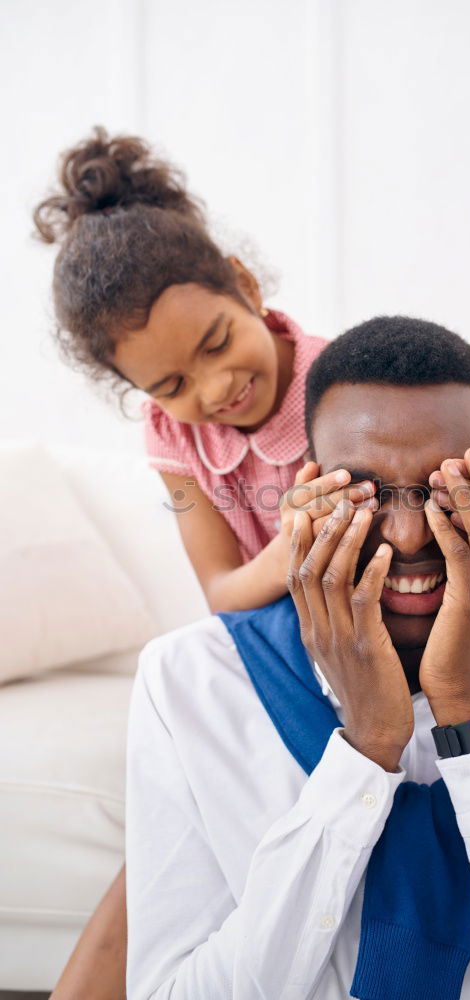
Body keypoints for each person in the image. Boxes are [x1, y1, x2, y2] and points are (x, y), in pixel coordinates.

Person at [125, 316, 470, 999]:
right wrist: (367, 747)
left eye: (443, 489)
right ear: (310, 490)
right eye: (367, 490)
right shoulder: (188, 685)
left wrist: (464, 711)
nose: (408, 534)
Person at [33, 128, 395, 999]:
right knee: (172, 818)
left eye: (215, 343)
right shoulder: (174, 438)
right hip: (272, 648)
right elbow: (224, 593)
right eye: (168, 386)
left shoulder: (347, 386)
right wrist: (295, 543)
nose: (210, 391)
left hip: (380, 649)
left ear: (244, 283)